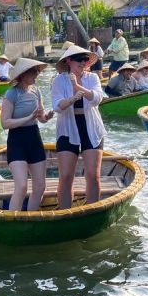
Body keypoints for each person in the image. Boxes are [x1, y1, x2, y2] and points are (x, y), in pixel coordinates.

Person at [51, 44, 105, 209]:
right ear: (68, 61)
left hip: (91, 129)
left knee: (93, 175)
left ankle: (92, 211)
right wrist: (73, 98)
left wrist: (77, 87)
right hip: (67, 129)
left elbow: (97, 98)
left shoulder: (92, 78)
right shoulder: (58, 80)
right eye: (79, 59)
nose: (83, 62)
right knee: (66, 176)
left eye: (85, 59)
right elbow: (57, 106)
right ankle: (65, 213)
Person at [1, 58, 54, 211]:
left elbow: (41, 118)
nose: (36, 74)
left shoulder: (36, 91)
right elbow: (5, 123)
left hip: (34, 138)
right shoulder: (12, 93)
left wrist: (46, 117)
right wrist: (29, 118)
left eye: (37, 71)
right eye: (33, 71)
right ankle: (11, 221)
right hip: (17, 141)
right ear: (22, 74)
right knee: (22, 186)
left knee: (40, 186)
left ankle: (31, 217)